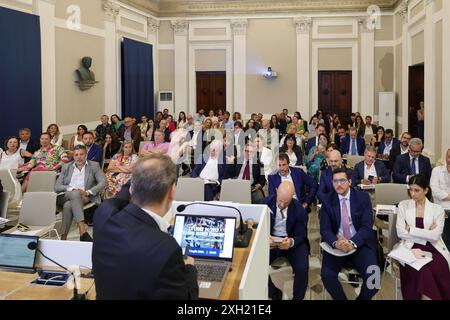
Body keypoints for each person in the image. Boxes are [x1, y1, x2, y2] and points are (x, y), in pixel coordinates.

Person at [93, 153, 199, 299]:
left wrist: (169, 158)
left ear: (132, 188)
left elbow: (123, 194)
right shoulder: (167, 248)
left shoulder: (104, 215)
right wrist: (189, 269)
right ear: (171, 192)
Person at [320, 168, 379, 300]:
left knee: (374, 280)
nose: (338, 184)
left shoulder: (362, 198)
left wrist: (352, 243)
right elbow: (325, 229)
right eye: (335, 181)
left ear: (350, 181)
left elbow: (366, 226)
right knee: (327, 276)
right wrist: (336, 243)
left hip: (359, 244)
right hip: (337, 247)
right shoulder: (327, 200)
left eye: (342, 180)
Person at [396, 174, 450, 300]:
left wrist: (411, 229)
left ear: (426, 190)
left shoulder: (437, 209)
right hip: (410, 249)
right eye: (410, 190)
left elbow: (435, 236)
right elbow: (401, 233)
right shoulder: (403, 205)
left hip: (433, 249)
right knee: (423, 271)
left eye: (417, 190)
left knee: (438, 268)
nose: (412, 194)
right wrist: (427, 233)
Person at [263, 181, 309, 300]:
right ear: (277, 190)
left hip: (291, 240)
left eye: (286, 202)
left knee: (302, 268)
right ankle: (273, 293)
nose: (282, 205)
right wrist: (265, 237)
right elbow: (256, 226)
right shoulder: (264, 203)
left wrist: (291, 242)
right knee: (254, 263)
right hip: (271, 240)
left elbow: (301, 234)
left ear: (293, 196)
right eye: (280, 201)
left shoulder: (299, 210)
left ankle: (297, 298)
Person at [55, 145, 106, 241]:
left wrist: (88, 192)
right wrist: (72, 189)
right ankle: (82, 231)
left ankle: (63, 237)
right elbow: (57, 187)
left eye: (81, 154)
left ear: (86, 155)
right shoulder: (66, 167)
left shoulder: (94, 165)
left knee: (68, 205)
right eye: (76, 155)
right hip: (65, 196)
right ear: (73, 156)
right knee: (75, 193)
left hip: (84, 196)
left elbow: (103, 182)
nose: (79, 157)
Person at [430, 148, 450, 250]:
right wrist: (448, 196)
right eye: (449, 157)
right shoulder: (436, 171)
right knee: (445, 240)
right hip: (441, 210)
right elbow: (434, 191)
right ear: (446, 157)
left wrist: (445, 196)